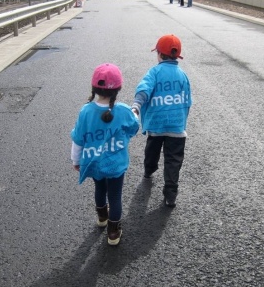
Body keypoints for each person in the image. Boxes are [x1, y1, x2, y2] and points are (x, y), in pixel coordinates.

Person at [71, 63, 139, 245]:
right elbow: (134, 126)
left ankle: (102, 217)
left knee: (100, 188)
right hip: (116, 163)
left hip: (94, 161)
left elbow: (78, 139)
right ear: (118, 88)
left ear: (94, 88)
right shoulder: (123, 110)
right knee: (115, 196)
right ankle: (113, 232)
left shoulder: (85, 111)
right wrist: (134, 114)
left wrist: (76, 160)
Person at [131, 35, 192, 208]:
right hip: (177, 127)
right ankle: (170, 195)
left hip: (156, 125)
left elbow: (144, 89)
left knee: (152, 151)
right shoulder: (183, 75)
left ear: (159, 54)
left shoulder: (154, 72)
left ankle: (149, 171)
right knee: (173, 160)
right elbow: (187, 101)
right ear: (176, 56)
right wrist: (182, 120)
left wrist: (136, 106)